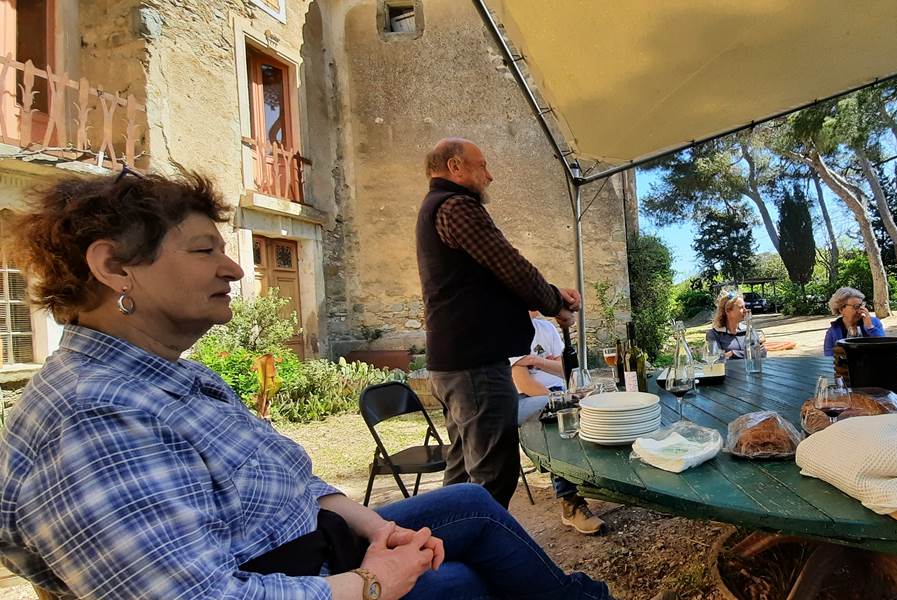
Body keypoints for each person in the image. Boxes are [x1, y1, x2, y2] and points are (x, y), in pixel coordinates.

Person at [0, 172, 610, 599]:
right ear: (113, 267)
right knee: (462, 582)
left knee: (473, 505)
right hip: (291, 573)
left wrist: (375, 530)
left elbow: (294, 479)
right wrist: (373, 583)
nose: (235, 266)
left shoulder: (176, 375)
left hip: (317, 545)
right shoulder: (96, 417)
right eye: (204, 248)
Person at [417, 137, 581, 509]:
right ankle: (488, 561)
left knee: (460, 476)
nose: (489, 176)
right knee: (493, 477)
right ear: (455, 167)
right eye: (482, 165)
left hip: (453, 365)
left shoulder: (436, 209)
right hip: (475, 366)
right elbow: (509, 265)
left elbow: (494, 277)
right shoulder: (456, 206)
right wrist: (555, 301)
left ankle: (451, 556)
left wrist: (552, 294)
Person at [510, 311, 605, 535]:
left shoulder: (547, 328)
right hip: (522, 401)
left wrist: (535, 361)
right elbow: (524, 383)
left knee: (600, 404)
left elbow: (567, 368)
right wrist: (560, 399)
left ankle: (598, 479)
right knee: (564, 416)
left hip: (559, 393)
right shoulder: (510, 330)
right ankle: (571, 504)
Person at [822, 287, 886, 356]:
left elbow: (884, 348)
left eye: (861, 306)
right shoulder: (832, 332)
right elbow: (829, 358)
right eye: (856, 307)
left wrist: (870, 327)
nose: (860, 311)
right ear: (841, 309)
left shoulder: (874, 322)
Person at [705, 290, 767, 360]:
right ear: (728, 311)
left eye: (745, 307)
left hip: (750, 370)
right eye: (741, 307)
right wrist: (748, 354)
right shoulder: (714, 334)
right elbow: (717, 359)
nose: (745, 310)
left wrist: (733, 353)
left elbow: (762, 352)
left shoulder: (749, 330)